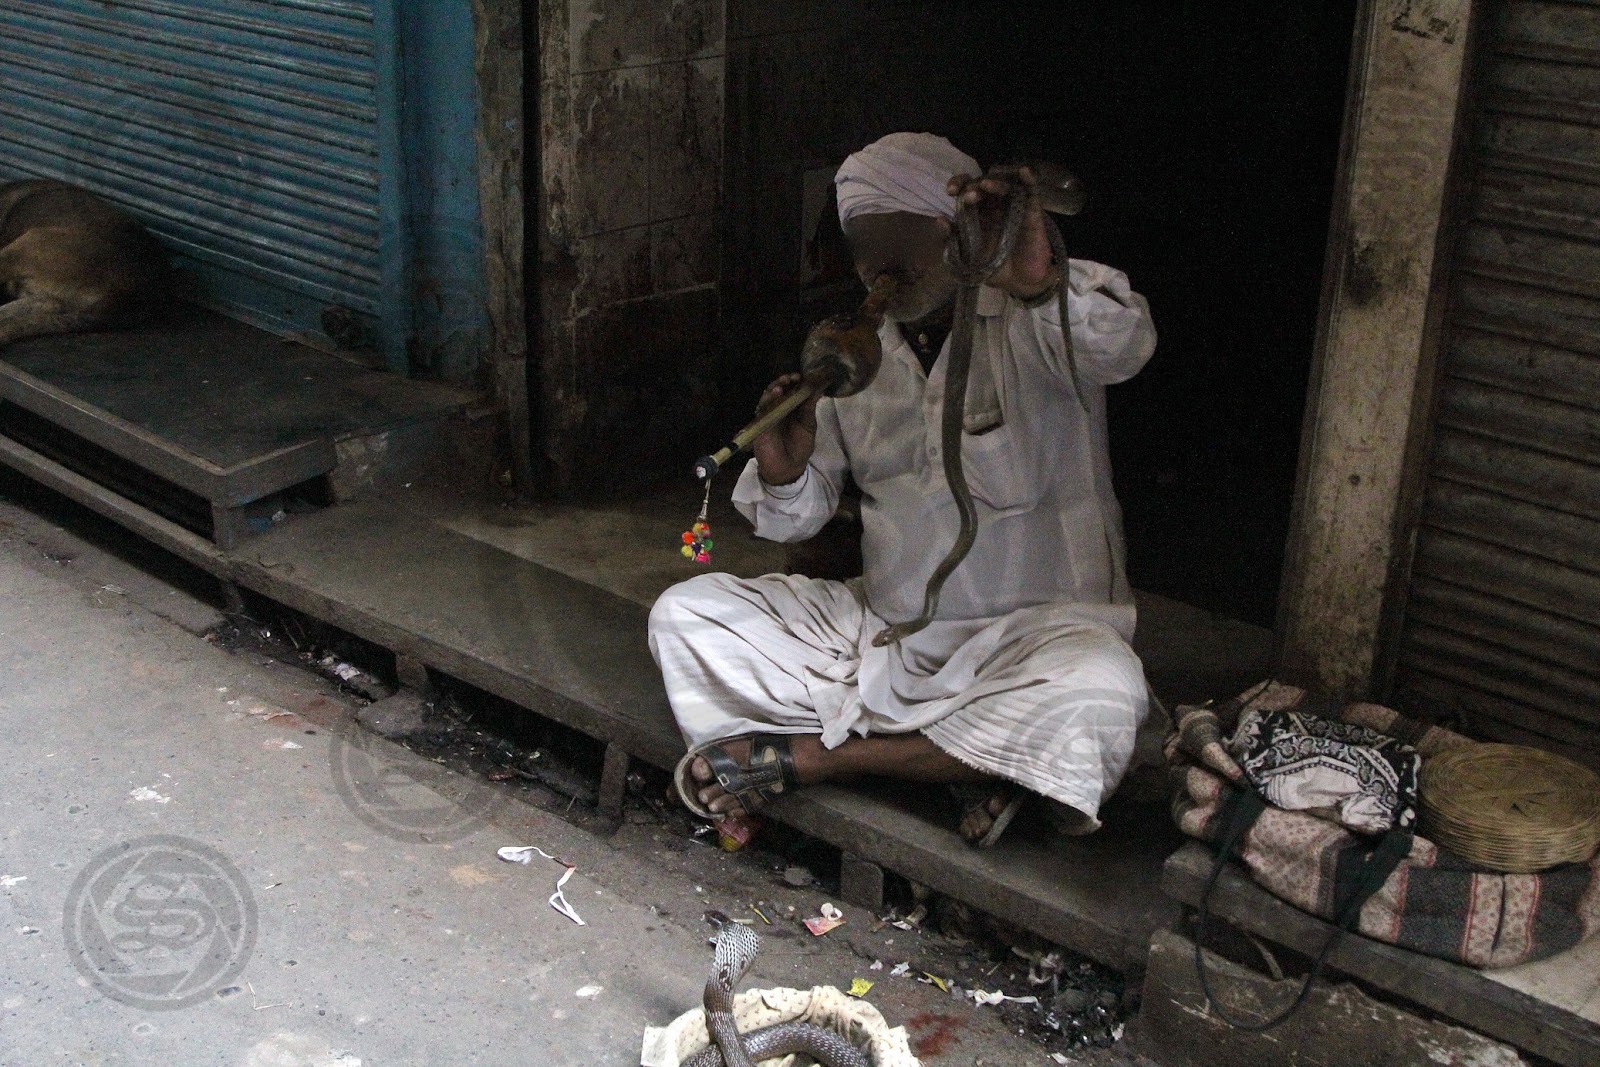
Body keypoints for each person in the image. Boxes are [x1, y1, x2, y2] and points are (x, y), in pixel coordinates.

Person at [649, 132, 1158, 846]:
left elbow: (1126, 344)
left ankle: (823, 757)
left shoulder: (1042, 320)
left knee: (1101, 699)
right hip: (886, 631)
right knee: (687, 616)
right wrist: (784, 466)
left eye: (901, 235)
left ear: (956, 233)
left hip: (1034, 637)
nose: (878, 263)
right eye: (864, 240)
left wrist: (1038, 280)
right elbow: (796, 520)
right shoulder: (856, 355)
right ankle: (970, 765)